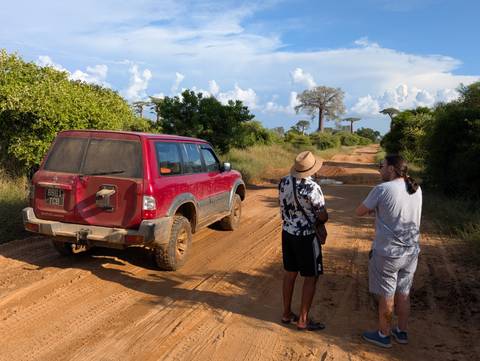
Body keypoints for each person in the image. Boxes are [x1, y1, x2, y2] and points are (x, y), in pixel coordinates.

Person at [356, 154, 422, 348]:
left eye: (381, 166)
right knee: (404, 292)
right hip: (411, 251)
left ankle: (383, 334)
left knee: (387, 293)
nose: (379, 169)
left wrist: (374, 209)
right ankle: (401, 332)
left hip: (388, 253)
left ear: (391, 169)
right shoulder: (416, 189)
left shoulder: (382, 189)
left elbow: (359, 211)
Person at [278, 150, 328, 331]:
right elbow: (322, 215)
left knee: (290, 273)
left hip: (287, 232)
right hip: (306, 236)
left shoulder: (284, 181)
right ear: (312, 169)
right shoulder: (312, 187)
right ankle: (303, 320)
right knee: (311, 277)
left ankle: (286, 313)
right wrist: (322, 220)